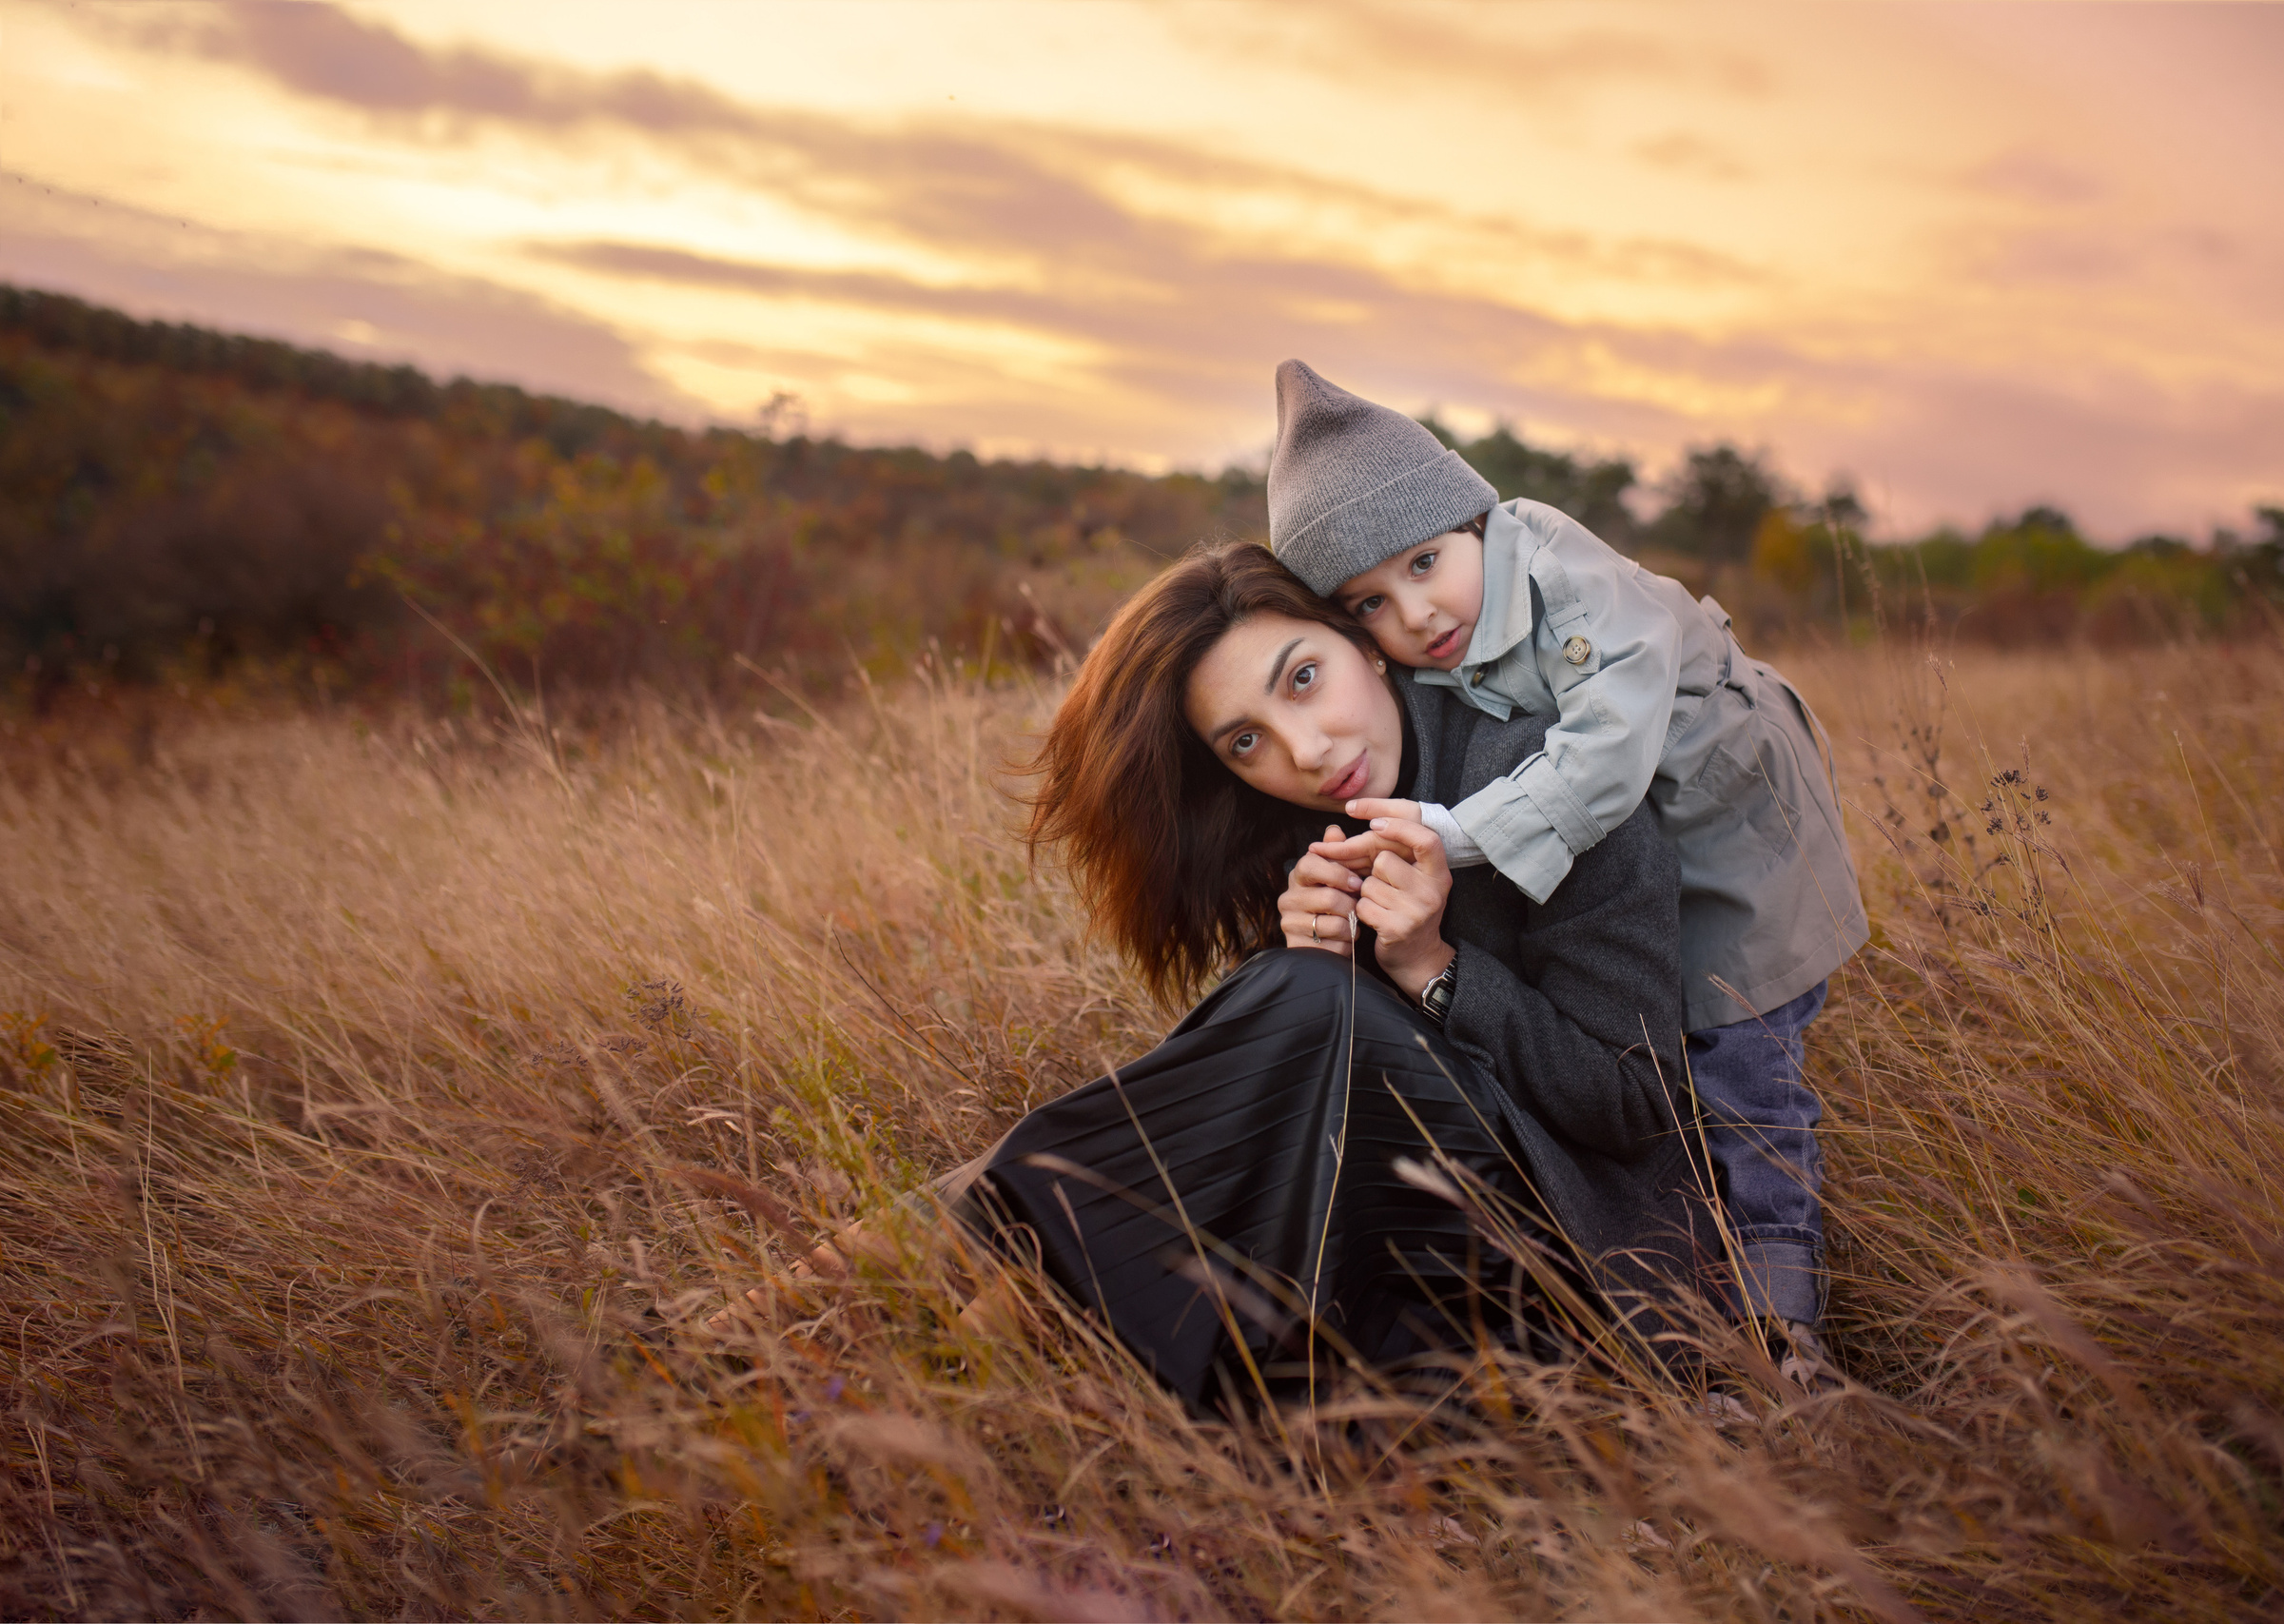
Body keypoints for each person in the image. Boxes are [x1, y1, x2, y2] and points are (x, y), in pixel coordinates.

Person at [720, 543, 1719, 1417]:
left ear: (1364, 642)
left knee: (1286, 1020)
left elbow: (1636, 1104)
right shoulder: (1317, 833)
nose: (1304, 749)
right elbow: (1284, 1104)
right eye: (1245, 741)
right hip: (1379, 1269)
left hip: (1578, 1276)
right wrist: (1317, 960)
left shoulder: (1557, 784)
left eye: (1301, 678)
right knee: (1272, 1028)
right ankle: (815, 1374)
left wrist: (1427, 969)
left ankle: (767, 1352)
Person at [1263, 360, 1867, 1371]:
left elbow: (1600, 761)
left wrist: (1445, 833)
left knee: (1742, 1068)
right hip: (1654, 851)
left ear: (1476, 519)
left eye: (1421, 564)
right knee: (1658, 1039)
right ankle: (1698, 1283)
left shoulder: (1570, 580)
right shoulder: (1444, 647)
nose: (1410, 616)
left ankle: (1782, 1330)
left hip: (1738, 835)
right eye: (1366, 604)